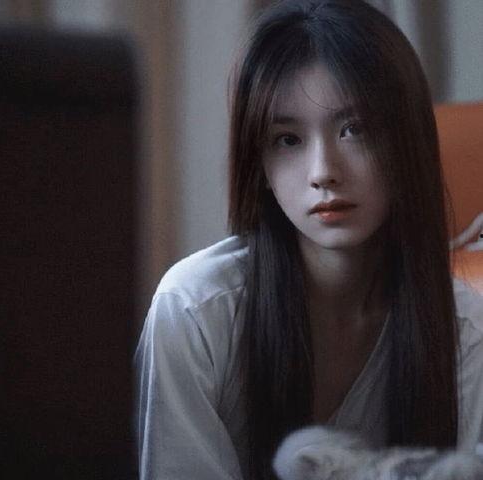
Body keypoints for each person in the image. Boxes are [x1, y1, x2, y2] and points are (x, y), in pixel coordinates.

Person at [134, 1, 483, 479]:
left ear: (407, 141)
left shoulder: (465, 328)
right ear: (258, 163)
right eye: (288, 139)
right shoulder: (195, 313)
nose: (323, 172)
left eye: (354, 130)